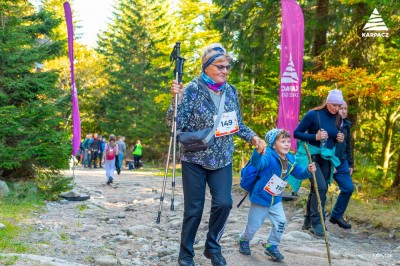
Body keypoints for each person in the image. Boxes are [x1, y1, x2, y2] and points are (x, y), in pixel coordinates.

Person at [167, 43, 262, 266]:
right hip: (195, 158)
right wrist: (175, 100)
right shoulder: (192, 89)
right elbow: (175, 123)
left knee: (224, 203)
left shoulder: (231, 91)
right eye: (220, 66)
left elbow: (236, 123)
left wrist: (253, 137)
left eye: (228, 67)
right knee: (194, 209)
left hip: (222, 159)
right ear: (207, 66)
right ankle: (186, 253)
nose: (225, 71)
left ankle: (212, 246)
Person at [237, 129, 316, 262]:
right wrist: (257, 152)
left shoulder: (290, 158)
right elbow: (258, 164)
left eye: (288, 141)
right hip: (261, 197)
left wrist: (308, 171)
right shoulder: (268, 155)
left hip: (276, 198)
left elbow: (299, 174)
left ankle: (271, 245)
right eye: (282, 141)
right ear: (273, 144)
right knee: (253, 226)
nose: (286, 144)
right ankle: (243, 240)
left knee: (281, 222)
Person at [292, 89, 345, 236]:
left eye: (339, 106)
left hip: (326, 158)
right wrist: (315, 136)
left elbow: (331, 139)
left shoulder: (338, 118)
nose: (336, 108)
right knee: (320, 187)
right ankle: (317, 223)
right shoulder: (313, 115)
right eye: (334, 105)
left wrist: (338, 138)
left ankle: (308, 221)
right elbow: (296, 133)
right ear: (327, 102)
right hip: (310, 156)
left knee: (319, 188)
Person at [330, 101, 354, 229]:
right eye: (341, 108)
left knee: (348, 188)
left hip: (342, 162)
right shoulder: (330, 123)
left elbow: (347, 145)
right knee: (319, 190)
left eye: (345, 108)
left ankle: (336, 215)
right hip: (328, 161)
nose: (343, 111)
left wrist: (350, 163)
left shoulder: (347, 124)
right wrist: (330, 163)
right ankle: (312, 220)